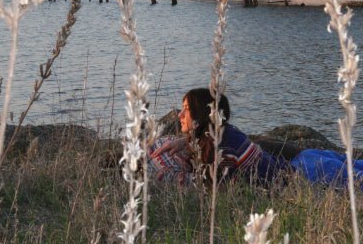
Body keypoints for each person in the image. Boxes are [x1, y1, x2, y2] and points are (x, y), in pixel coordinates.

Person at [149, 88, 363, 189]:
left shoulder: (222, 144)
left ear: (202, 114)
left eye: (186, 109)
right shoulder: (218, 135)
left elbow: (203, 186)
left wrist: (162, 172)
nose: (179, 115)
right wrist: (185, 141)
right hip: (306, 161)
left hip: (310, 173)